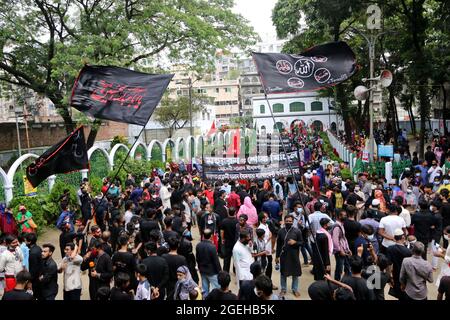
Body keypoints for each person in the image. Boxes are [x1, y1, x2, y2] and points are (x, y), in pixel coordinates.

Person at [276, 214, 303, 298]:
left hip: (294, 256)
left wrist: (295, 242)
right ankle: (283, 289)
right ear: (284, 221)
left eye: (290, 221)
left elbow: (302, 242)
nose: (288, 222)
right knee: (283, 273)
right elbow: (278, 245)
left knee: (295, 273)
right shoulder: (280, 231)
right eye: (287, 221)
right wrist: (277, 256)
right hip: (284, 256)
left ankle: (295, 289)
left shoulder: (297, 231)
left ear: (292, 222)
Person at [195, 228, 221, 297]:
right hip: (212, 272)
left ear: (203, 235)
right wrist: (220, 272)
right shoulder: (212, 247)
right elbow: (216, 261)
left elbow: (197, 258)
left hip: (203, 271)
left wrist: (200, 267)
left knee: (205, 289)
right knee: (217, 288)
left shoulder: (198, 245)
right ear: (211, 236)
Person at [332, 210, 351, 280]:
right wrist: (340, 251)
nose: (345, 217)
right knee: (339, 269)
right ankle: (336, 283)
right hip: (340, 252)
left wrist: (348, 249)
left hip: (344, 250)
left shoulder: (341, 225)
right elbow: (335, 241)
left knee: (346, 267)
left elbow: (343, 238)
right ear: (339, 216)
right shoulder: (337, 227)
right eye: (344, 215)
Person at [219, 206, 238, 274]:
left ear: (228, 212)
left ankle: (226, 271)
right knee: (236, 257)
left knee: (227, 258)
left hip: (227, 242)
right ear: (235, 213)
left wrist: (222, 239)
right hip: (235, 242)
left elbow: (222, 232)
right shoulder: (237, 221)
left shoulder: (224, 221)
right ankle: (235, 270)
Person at [24, 232, 42, 300]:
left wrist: (29, 281)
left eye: (25, 240)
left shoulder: (33, 253)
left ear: (29, 242)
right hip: (38, 277)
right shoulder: (38, 248)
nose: (25, 242)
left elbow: (33, 269)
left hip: (35, 280)